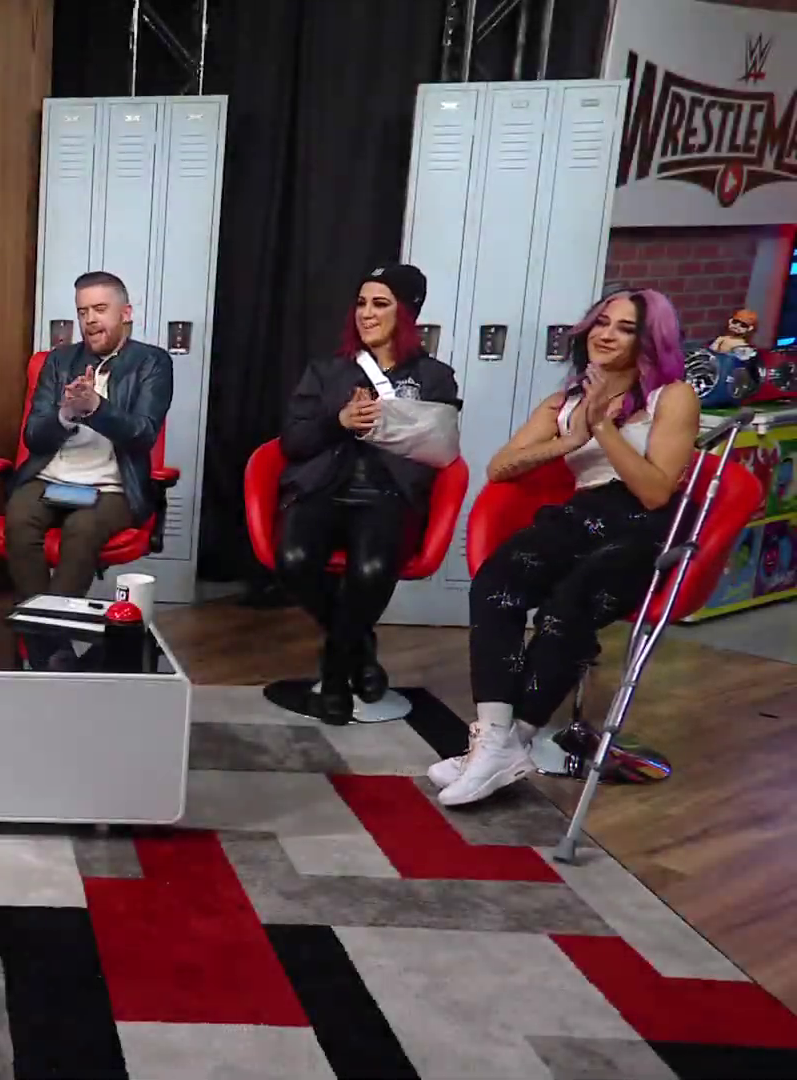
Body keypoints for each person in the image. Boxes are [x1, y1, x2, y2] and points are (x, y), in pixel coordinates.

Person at [435, 289, 698, 807]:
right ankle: (493, 739)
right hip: (583, 515)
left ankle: (514, 742)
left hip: (642, 526)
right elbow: (500, 467)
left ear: (649, 341)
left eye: (625, 328)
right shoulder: (565, 402)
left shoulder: (673, 396)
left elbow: (655, 492)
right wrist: (570, 439)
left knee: (567, 604)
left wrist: (603, 427)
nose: (606, 334)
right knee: (496, 581)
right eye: (602, 322)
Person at [275, 264, 461, 722]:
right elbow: (293, 443)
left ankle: (336, 676)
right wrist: (338, 421)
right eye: (361, 303)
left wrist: (385, 424)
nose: (366, 313)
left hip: (388, 495)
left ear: (407, 312)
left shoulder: (435, 377)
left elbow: (439, 449)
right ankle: (360, 648)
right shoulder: (326, 372)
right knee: (294, 559)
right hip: (323, 489)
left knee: (373, 568)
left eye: (380, 304)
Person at [3, 270, 174, 597]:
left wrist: (97, 408)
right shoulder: (59, 361)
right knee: (19, 518)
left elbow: (143, 434)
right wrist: (66, 415)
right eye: (83, 312)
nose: (90, 320)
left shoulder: (152, 362)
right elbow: (34, 437)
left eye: (100, 309)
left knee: (81, 529)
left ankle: (51, 622)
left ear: (125, 313)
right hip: (51, 481)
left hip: (111, 488)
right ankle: (42, 621)